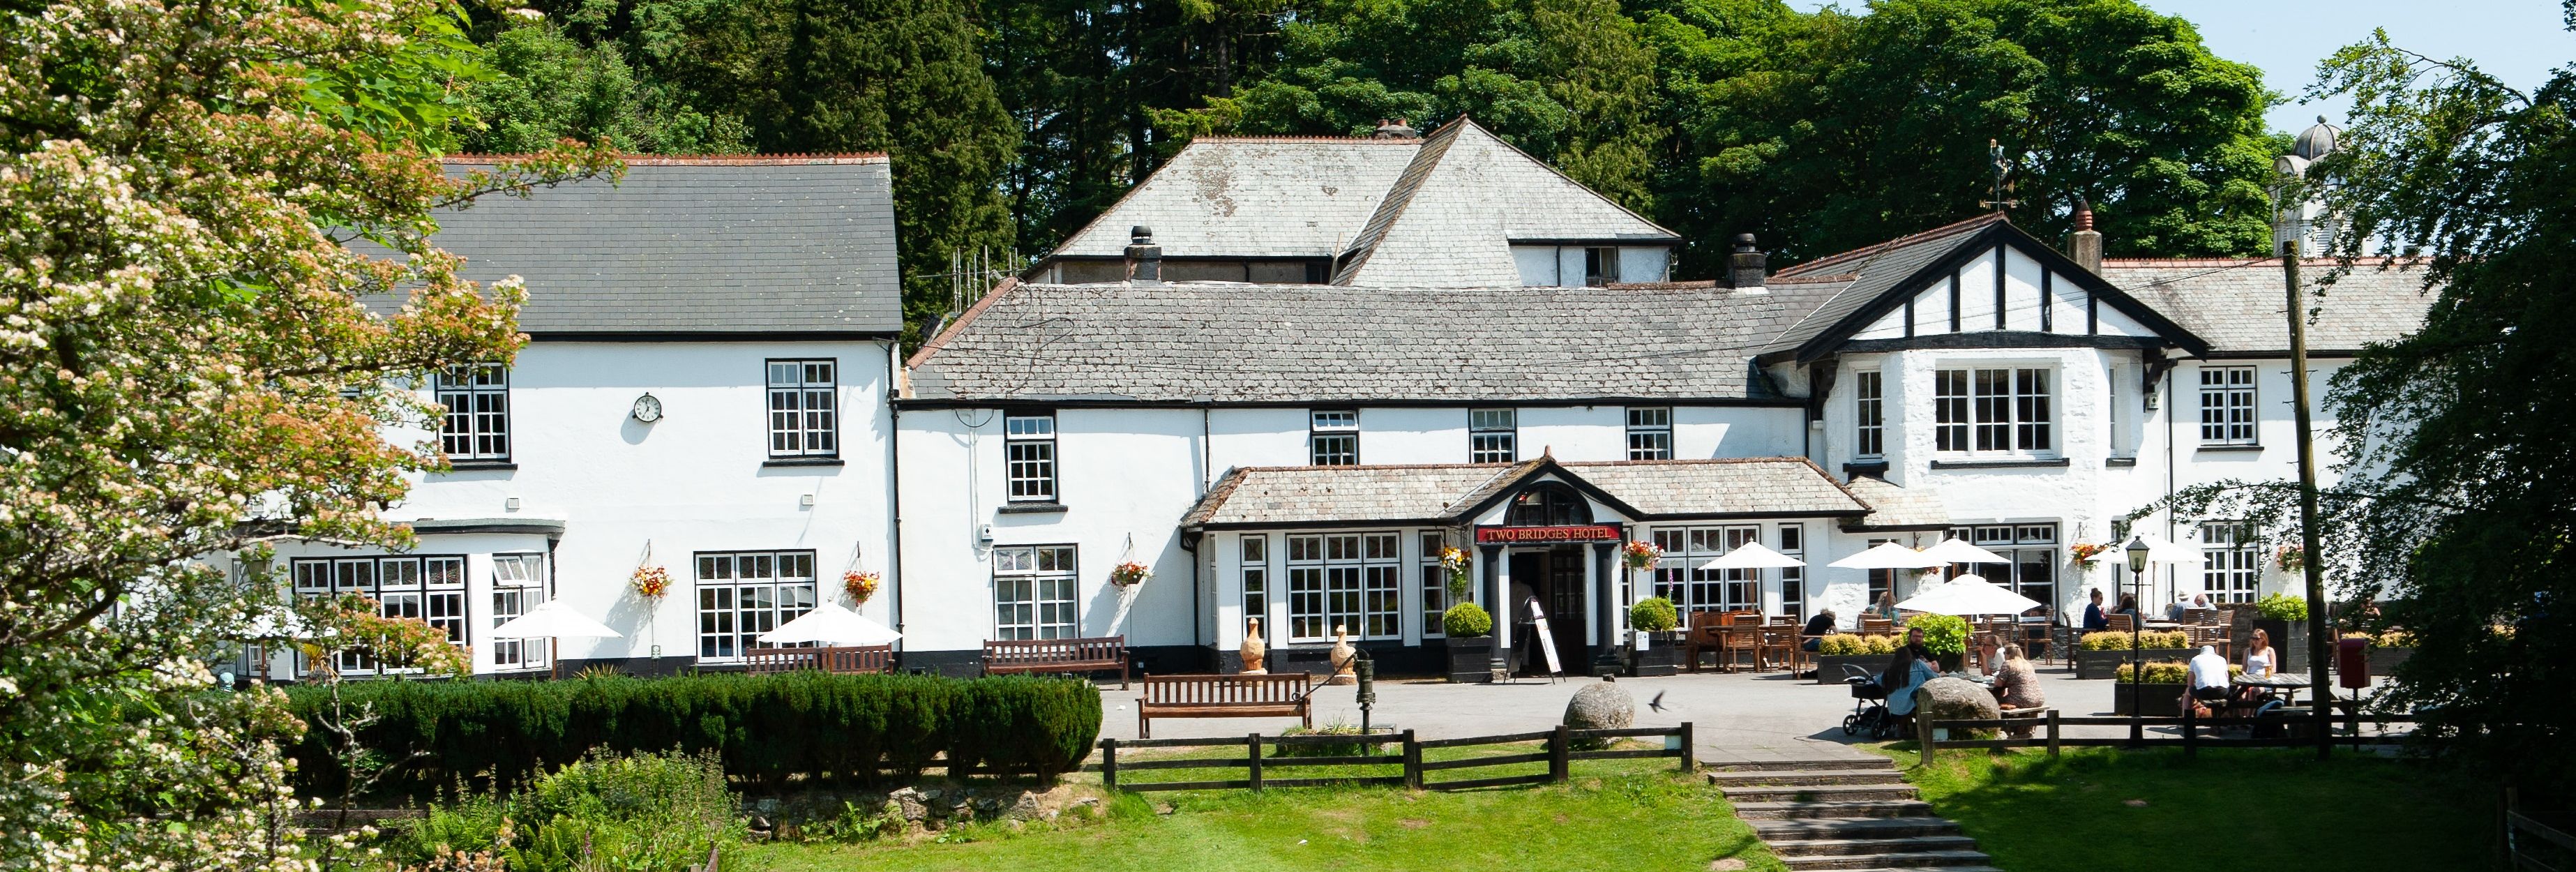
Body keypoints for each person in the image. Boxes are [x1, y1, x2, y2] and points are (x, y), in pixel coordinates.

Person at [1991, 645, 2045, 736]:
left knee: (1995, 700)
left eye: (2004, 653)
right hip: (2039, 698)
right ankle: (2023, 730)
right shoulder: (2027, 664)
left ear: (2008, 654)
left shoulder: (2008, 664)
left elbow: (1998, 684)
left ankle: (2000, 729)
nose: (2004, 655)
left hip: (2023, 699)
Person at [2184, 644, 2231, 716]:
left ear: (2201, 652)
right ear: (2214, 653)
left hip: (2204, 692)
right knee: (2230, 695)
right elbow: (2227, 680)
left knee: (2188, 691)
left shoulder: (2195, 659)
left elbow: (2190, 684)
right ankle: (2230, 721)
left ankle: (2186, 720)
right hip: (2222, 692)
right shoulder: (2222, 659)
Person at [2236, 629, 2280, 703]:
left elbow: (2273, 669)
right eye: (2253, 639)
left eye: (2257, 639)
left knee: (2253, 691)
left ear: (2263, 639)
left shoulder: (2269, 650)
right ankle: (2243, 715)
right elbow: (2244, 669)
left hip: (2264, 680)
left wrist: (2264, 678)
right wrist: (2247, 677)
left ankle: (2251, 715)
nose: (2254, 641)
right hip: (2250, 678)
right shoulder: (2248, 651)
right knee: (2240, 692)